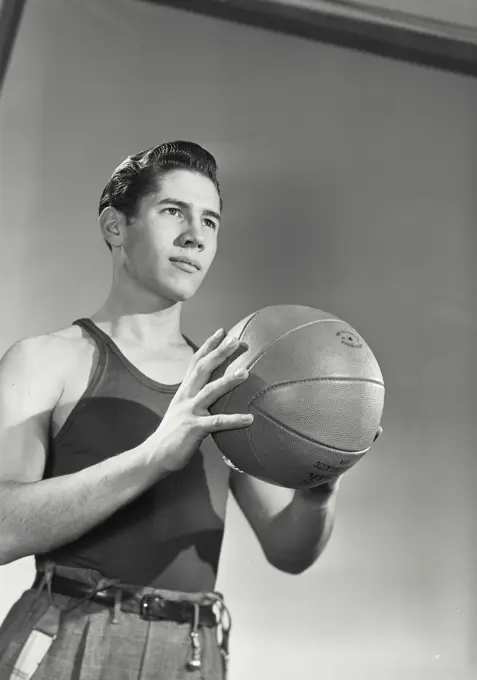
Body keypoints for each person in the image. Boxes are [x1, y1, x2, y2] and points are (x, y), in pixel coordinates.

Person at [0, 141, 350, 680]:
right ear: (116, 227)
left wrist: (318, 489)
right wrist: (153, 456)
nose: (195, 235)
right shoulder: (47, 360)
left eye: (210, 221)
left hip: (192, 652)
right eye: (173, 212)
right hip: (71, 633)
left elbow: (289, 551)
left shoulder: (228, 383)